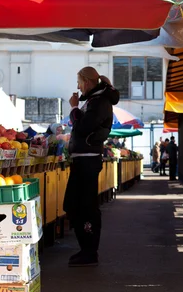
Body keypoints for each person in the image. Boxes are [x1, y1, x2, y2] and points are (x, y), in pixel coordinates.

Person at [64, 66, 119, 267]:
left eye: (79, 83)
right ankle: (86, 249)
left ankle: (89, 251)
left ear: (86, 82)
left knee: (85, 207)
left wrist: (73, 108)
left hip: (88, 160)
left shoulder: (99, 102)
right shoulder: (96, 101)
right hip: (83, 159)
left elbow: (83, 127)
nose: (78, 87)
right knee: (73, 205)